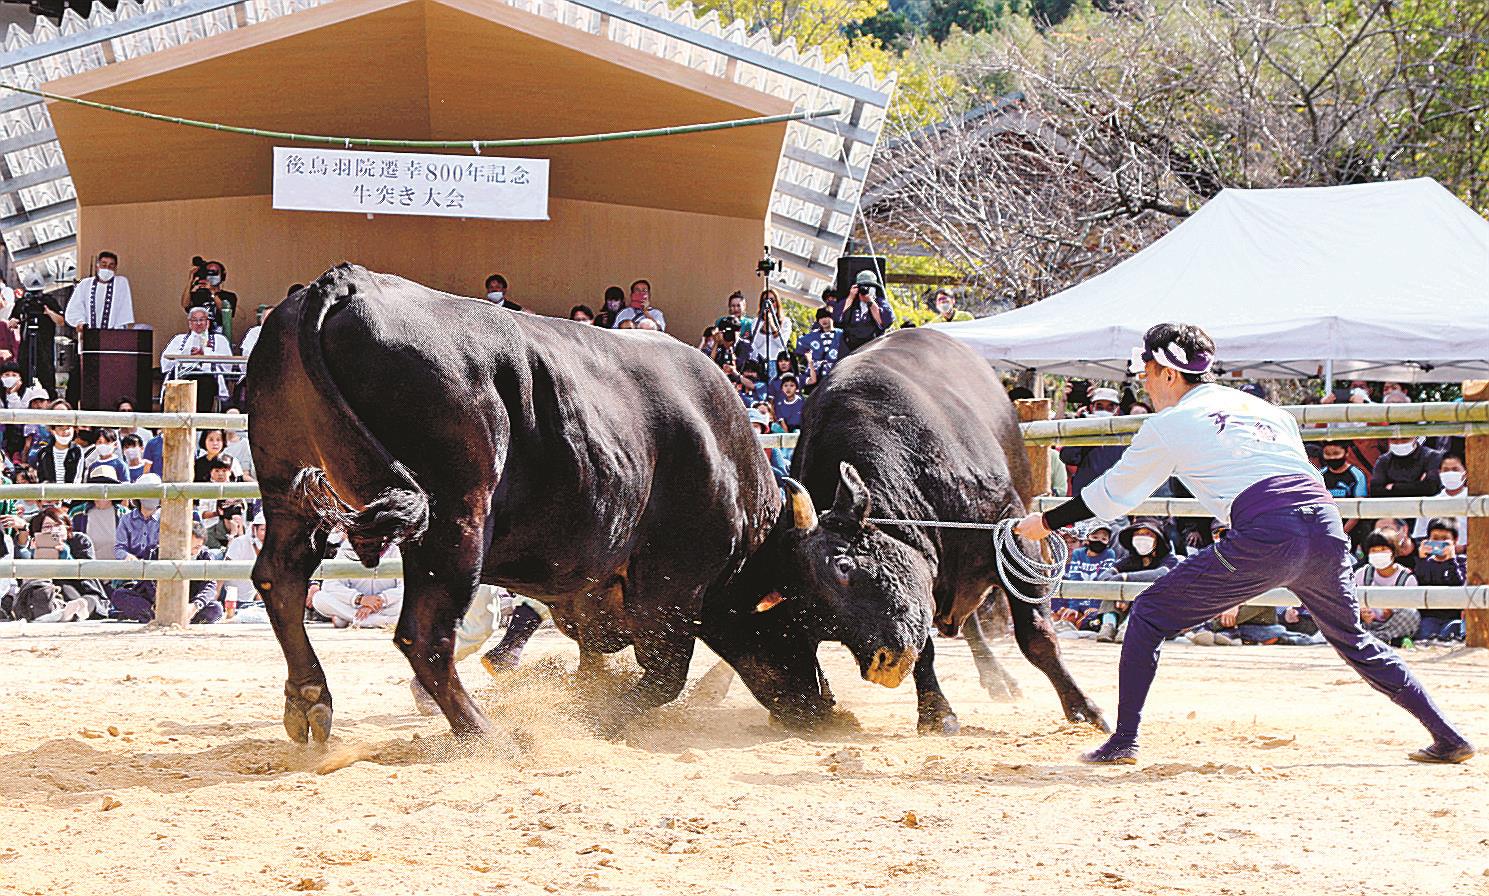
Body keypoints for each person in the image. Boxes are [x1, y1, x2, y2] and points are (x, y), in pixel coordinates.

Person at [1016, 321, 1472, 765]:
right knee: (1353, 639)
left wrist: (1047, 521)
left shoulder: (1171, 423)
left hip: (1270, 531)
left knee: (1150, 614)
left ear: (1168, 373)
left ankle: (1124, 740)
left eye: (1147, 374)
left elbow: (1115, 494)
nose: (1146, 384)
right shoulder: (1269, 411)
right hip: (1324, 525)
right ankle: (1447, 735)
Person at [1093, 517, 1179, 642]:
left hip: (1159, 615)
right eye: (1138, 534)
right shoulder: (1129, 560)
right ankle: (1108, 625)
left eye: (1147, 534)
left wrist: (1124, 580)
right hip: (1124, 610)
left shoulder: (1170, 560)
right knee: (1112, 589)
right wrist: (1121, 594)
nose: (1142, 538)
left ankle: (1128, 627)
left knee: (1152, 592)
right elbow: (1104, 578)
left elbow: (1160, 574)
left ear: (1157, 539)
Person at [313, 536, 403, 628]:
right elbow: (330, 584)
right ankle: (386, 621)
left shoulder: (397, 546)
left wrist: (379, 600)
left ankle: (352, 620)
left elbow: (405, 587)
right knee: (319, 598)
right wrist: (360, 599)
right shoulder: (347, 547)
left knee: (406, 602)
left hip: (386, 606)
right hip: (356, 605)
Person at [1354, 532, 1419, 646]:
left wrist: (1389, 613)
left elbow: (1410, 608)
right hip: (1365, 622)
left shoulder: (1407, 578)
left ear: (1393, 552)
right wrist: (1361, 613)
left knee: (1411, 614)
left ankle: (1371, 638)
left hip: (1392, 624)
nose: (1379, 554)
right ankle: (1380, 639)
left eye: (1383, 549)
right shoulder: (1361, 574)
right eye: (1374, 550)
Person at [1059, 387, 1127, 496]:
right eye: (1099, 406)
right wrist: (1083, 427)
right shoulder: (1084, 430)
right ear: (1092, 407)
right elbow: (1067, 456)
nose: (1105, 411)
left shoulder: (1124, 435)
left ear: (1117, 410)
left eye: (1110, 407)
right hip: (1085, 498)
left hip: (1115, 498)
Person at [161, 308, 231, 412]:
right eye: (195, 320)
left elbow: (227, 365)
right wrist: (187, 353)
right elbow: (165, 362)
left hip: (208, 378)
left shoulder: (219, 339)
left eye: (202, 320)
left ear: (208, 322)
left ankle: (200, 423)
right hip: (183, 376)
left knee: (205, 384)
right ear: (190, 323)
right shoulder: (178, 339)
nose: (198, 323)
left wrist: (206, 353)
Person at [1413, 518, 1465, 643]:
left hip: (1454, 616)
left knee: (1449, 636)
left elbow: (1457, 583)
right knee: (1424, 637)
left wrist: (1451, 559)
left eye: (1445, 539)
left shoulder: (1462, 562)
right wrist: (1421, 559)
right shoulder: (1425, 563)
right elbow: (1420, 582)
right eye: (1435, 538)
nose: (1440, 543)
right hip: (1429, 616)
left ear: (1455, 541)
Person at [66, 250, 135, 332]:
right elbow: (75, 307)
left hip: (113, 334)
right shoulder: (85, 284)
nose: (107, 268)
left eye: (111, 265)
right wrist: (80, 323)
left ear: (115, 268)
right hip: (89, 334)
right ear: (97, 266)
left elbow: (124, 309)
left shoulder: (121, 283)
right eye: (104, 265)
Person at [1411, 454, 1468, 553]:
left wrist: (1462, 549)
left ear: (1465, 473)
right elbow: (1419, 537)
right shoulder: (1429, 503)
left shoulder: (1475, 500)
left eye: (1455, 469)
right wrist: (1438, 550)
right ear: (1439, 473)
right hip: (1436, 558)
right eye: (1446, 470)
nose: (1450, 473)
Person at [180, 258, 237, 338]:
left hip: (220, 335)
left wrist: (212, 292)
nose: (211, 275)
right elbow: (185, 305)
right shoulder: (200, 294)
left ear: (222, 275)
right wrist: (190, 281)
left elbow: (225, 312)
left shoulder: (229, 296)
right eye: (208, 273)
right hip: (198, 334)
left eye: (214, 272)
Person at [1370, 435, 1443, 498]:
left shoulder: (1432, 456)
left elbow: (1431, 488)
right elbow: (1376, 491)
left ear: (1415, 437)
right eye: (1394, 439)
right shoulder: (1383, 460)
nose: (1399, 443)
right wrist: (1417, 485)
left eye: (1405, 438)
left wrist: (1393, 487)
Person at [839, 270, 893, 351]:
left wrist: (870, 302)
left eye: (869, 286)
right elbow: (838, 317)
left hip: (873, 346)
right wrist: (851, 297)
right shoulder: (849, 302)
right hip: (850, 347)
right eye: (863, 287)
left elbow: (884, 322)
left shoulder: (881, 303)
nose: (865, 289)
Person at [34, 403, 85, 484]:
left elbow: (78, 479)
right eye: (61, 428)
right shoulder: (44, 452)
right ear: (52, 430)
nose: (65, 432)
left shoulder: (77, 451)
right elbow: (42, 478)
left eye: (68, 427)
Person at [114, 474, 162, 561]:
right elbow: (119, 548)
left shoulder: (165, 520)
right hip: (131, 570)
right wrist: (127, 557)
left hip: (158, 570)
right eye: (147, 492)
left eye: (155, 492)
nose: (150, 496)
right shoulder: (126, 519)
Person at [798, 308, 844, 389]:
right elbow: (799, 347)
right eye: (820, 318)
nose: (823, 320)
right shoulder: (812, 335)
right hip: (815, 374)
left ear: (832, 318)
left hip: (835, 374)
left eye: (826, 317)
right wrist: (808, 358)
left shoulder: (841, 334)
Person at [750, 289, 792, 363]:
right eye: (765, 301)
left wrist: (772, 324)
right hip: (759, 360)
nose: (768, 304)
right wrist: (765, 324)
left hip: (776, 360)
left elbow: (781, 344)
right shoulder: (756, 321)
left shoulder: (785, 322)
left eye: (771, 300)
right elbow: (756, 344)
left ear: (777, 302)